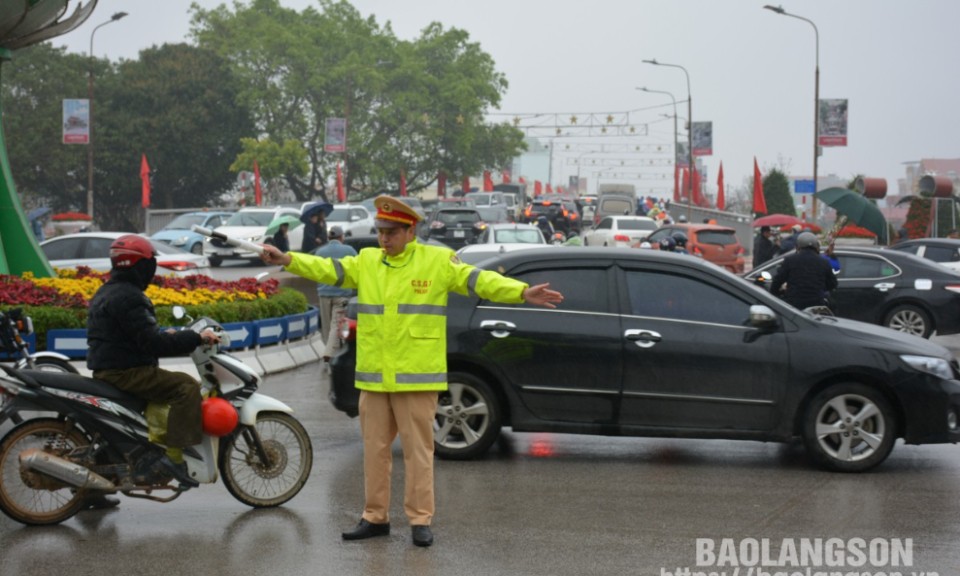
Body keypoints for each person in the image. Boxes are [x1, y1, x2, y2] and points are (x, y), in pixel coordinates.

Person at [258, 196, 563, 548]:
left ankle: (420, 520)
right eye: (380, 232)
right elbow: (328, 269)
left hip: (417, 377)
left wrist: (522, 292)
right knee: (375, 451)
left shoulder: (436, 261)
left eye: (391, 233)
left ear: (410, 230)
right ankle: (375, 517)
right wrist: (287, 259)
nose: (383, 240)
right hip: (375, 377)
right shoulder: (368, 261)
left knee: (419, 453)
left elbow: (478, 281)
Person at [86, 235, 220, 489]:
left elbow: (136, 336)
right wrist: (195, 338)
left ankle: (95, 490)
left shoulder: (108, 291)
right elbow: (152, 344)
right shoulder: (130, 297)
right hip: (126, 372)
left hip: (110, 368)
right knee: (185, 387)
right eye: (150, 264)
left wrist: (166, 335)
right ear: (140, 266)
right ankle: (173, 459)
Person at [311, 225, 357, 361]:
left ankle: (328, 349)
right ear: (341, 237)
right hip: (342, 294)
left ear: (329, 238)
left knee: (326, 326)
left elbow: (315, 271)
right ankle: (330, 354)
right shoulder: (349, 250)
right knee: (336, 325)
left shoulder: (319, 251)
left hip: (323, 294)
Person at [769, 232, 838, 310]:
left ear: (798, 247)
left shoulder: (790, 260)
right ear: (816, 246)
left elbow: (777, 281)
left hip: (793, 306)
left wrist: (778, 292)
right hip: (816, 305)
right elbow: (833, 284)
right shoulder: (824, 261)